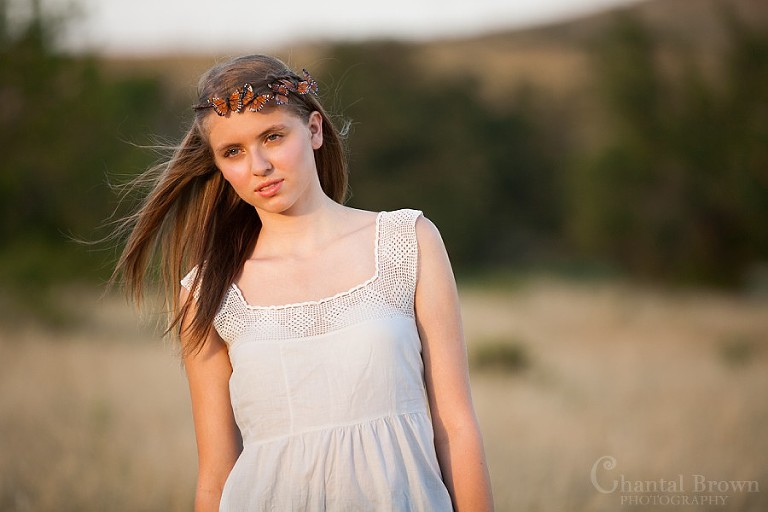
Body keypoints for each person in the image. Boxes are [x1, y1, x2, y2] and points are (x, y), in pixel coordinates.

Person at [113, 54, 493, 511]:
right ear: (218, 165)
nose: (258, 165)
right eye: (233, 152)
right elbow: (216, 473)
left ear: (314, 130)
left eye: (272, 137)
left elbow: (455, 426)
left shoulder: (407, 241)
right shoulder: (208, 291)